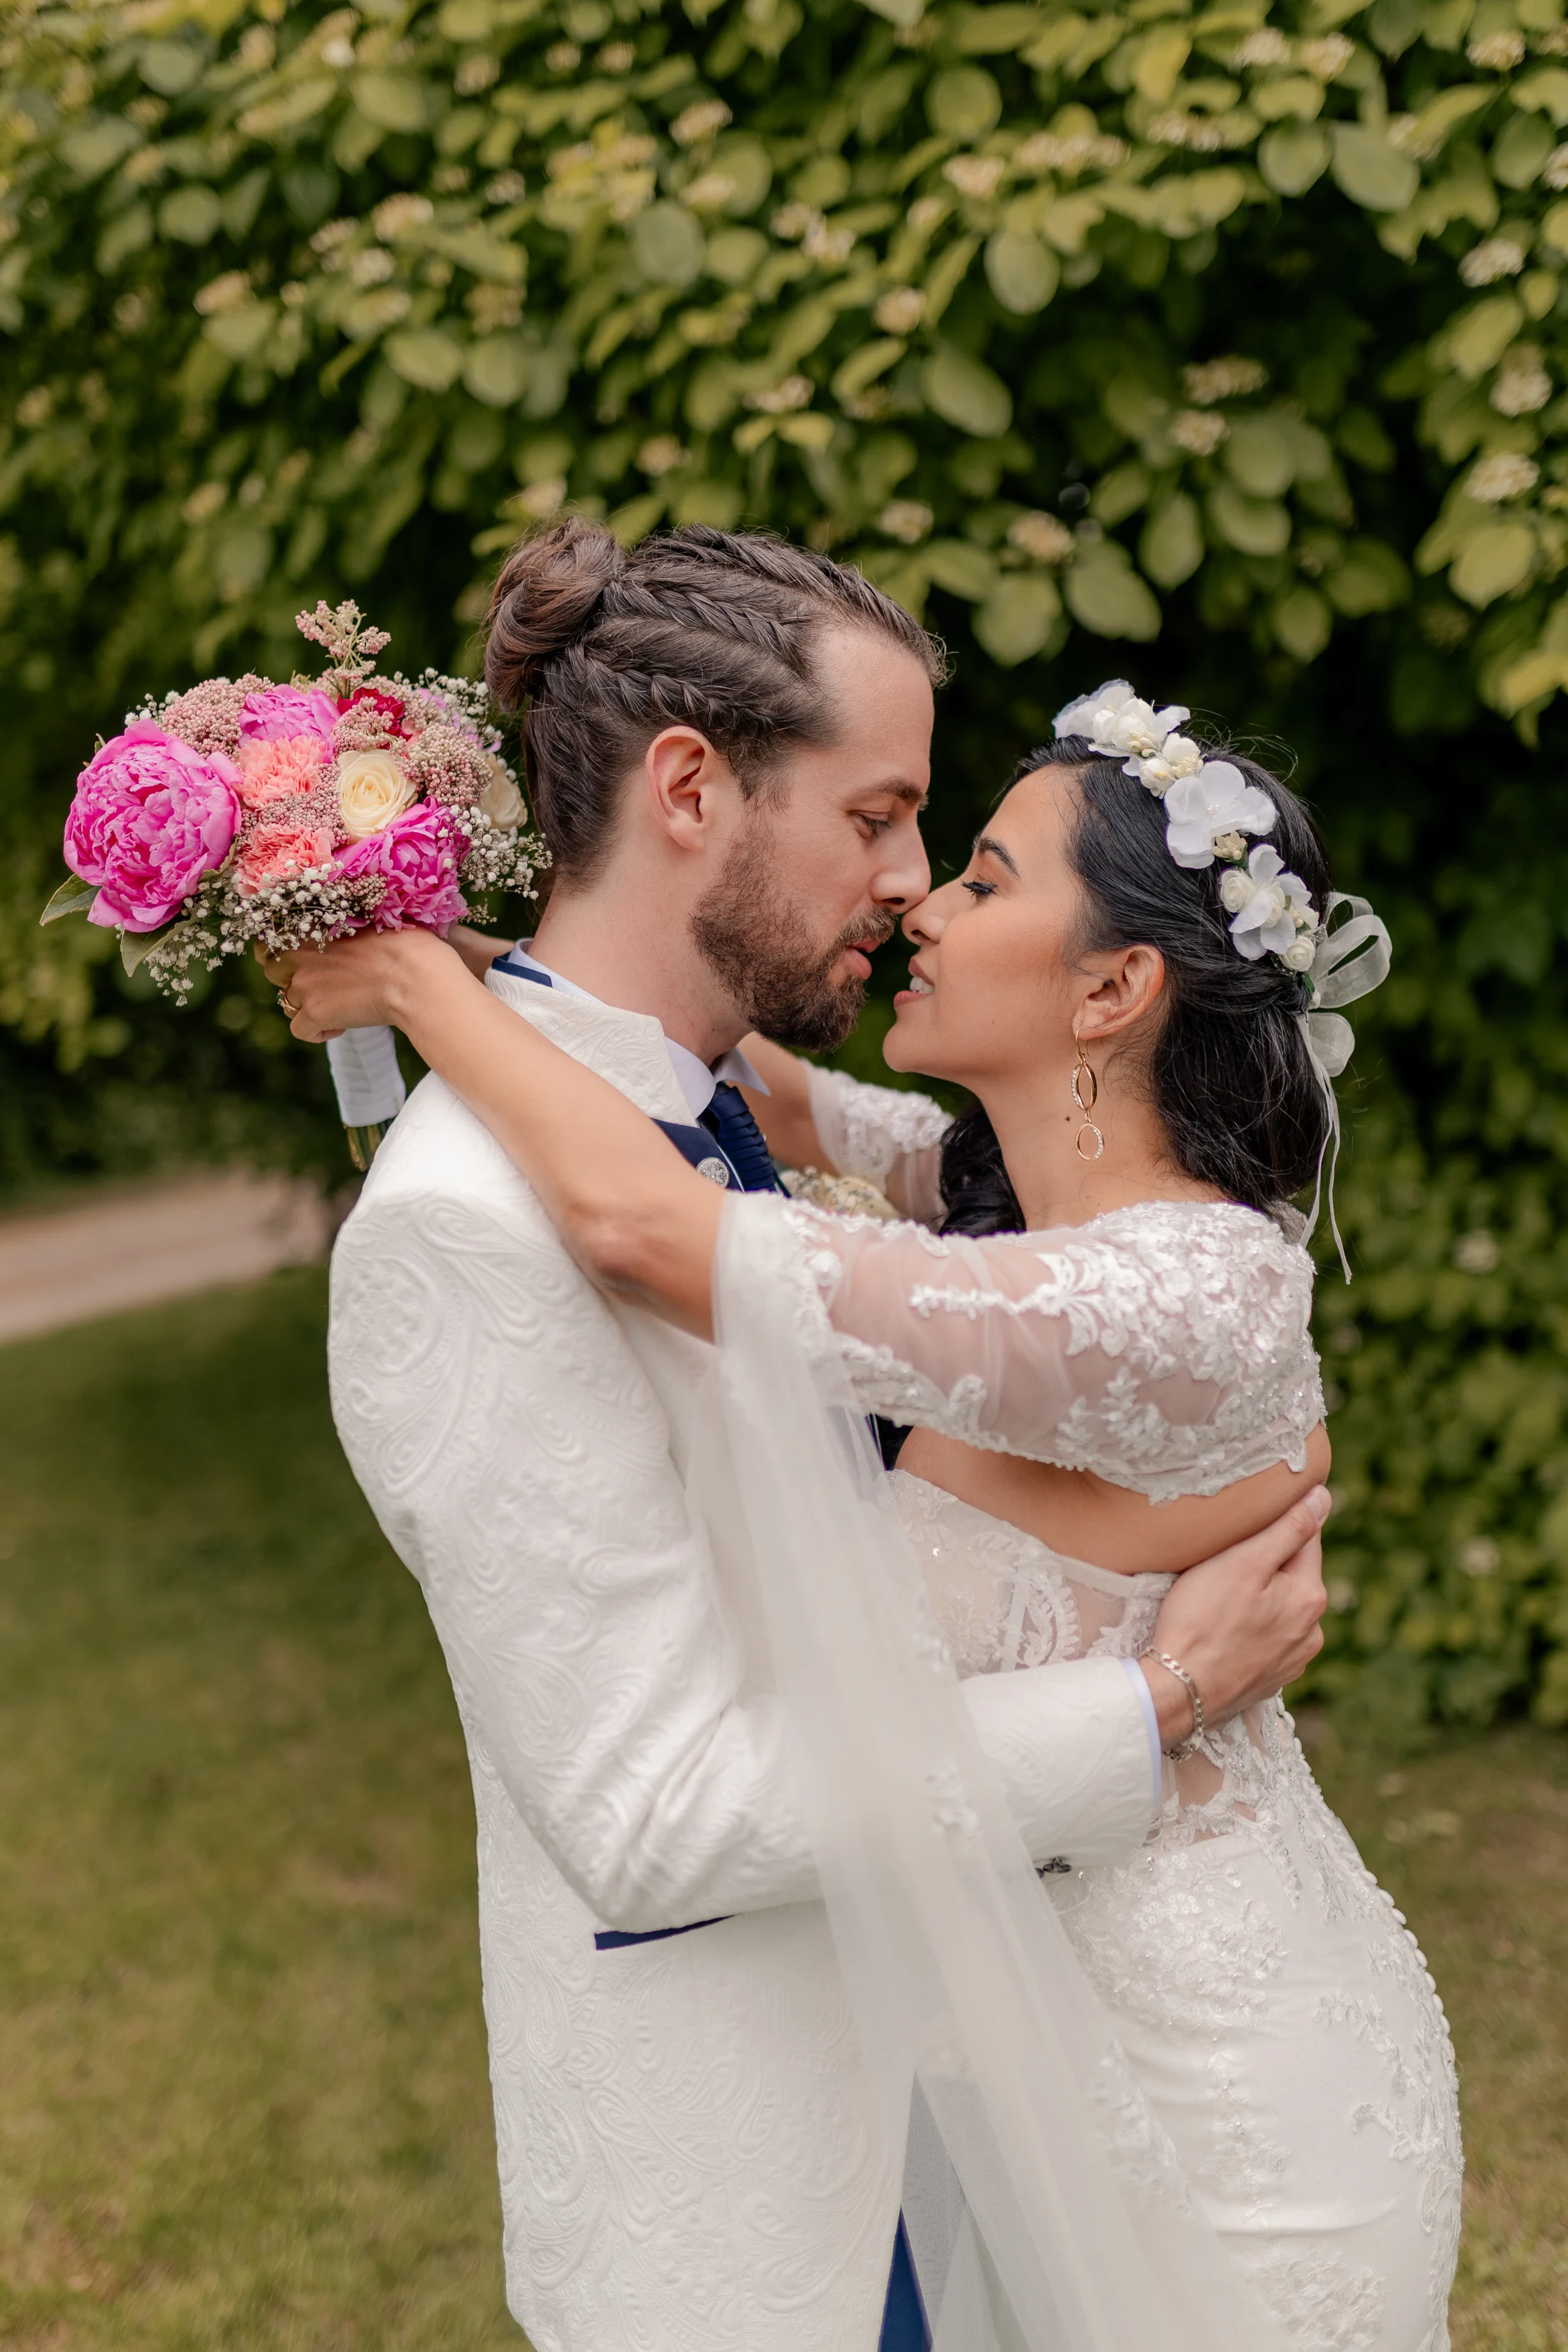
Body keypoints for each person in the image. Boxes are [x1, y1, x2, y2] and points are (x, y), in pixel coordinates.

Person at [279, 524, 1334, 2352]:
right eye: (876, 817)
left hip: (988, 2088)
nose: (911, 885)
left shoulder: (714, 1119)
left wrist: (443, 987)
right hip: (770, 2187)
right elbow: (650, 1810)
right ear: (689, 789)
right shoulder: (469, 1221)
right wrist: (1145, 1712)